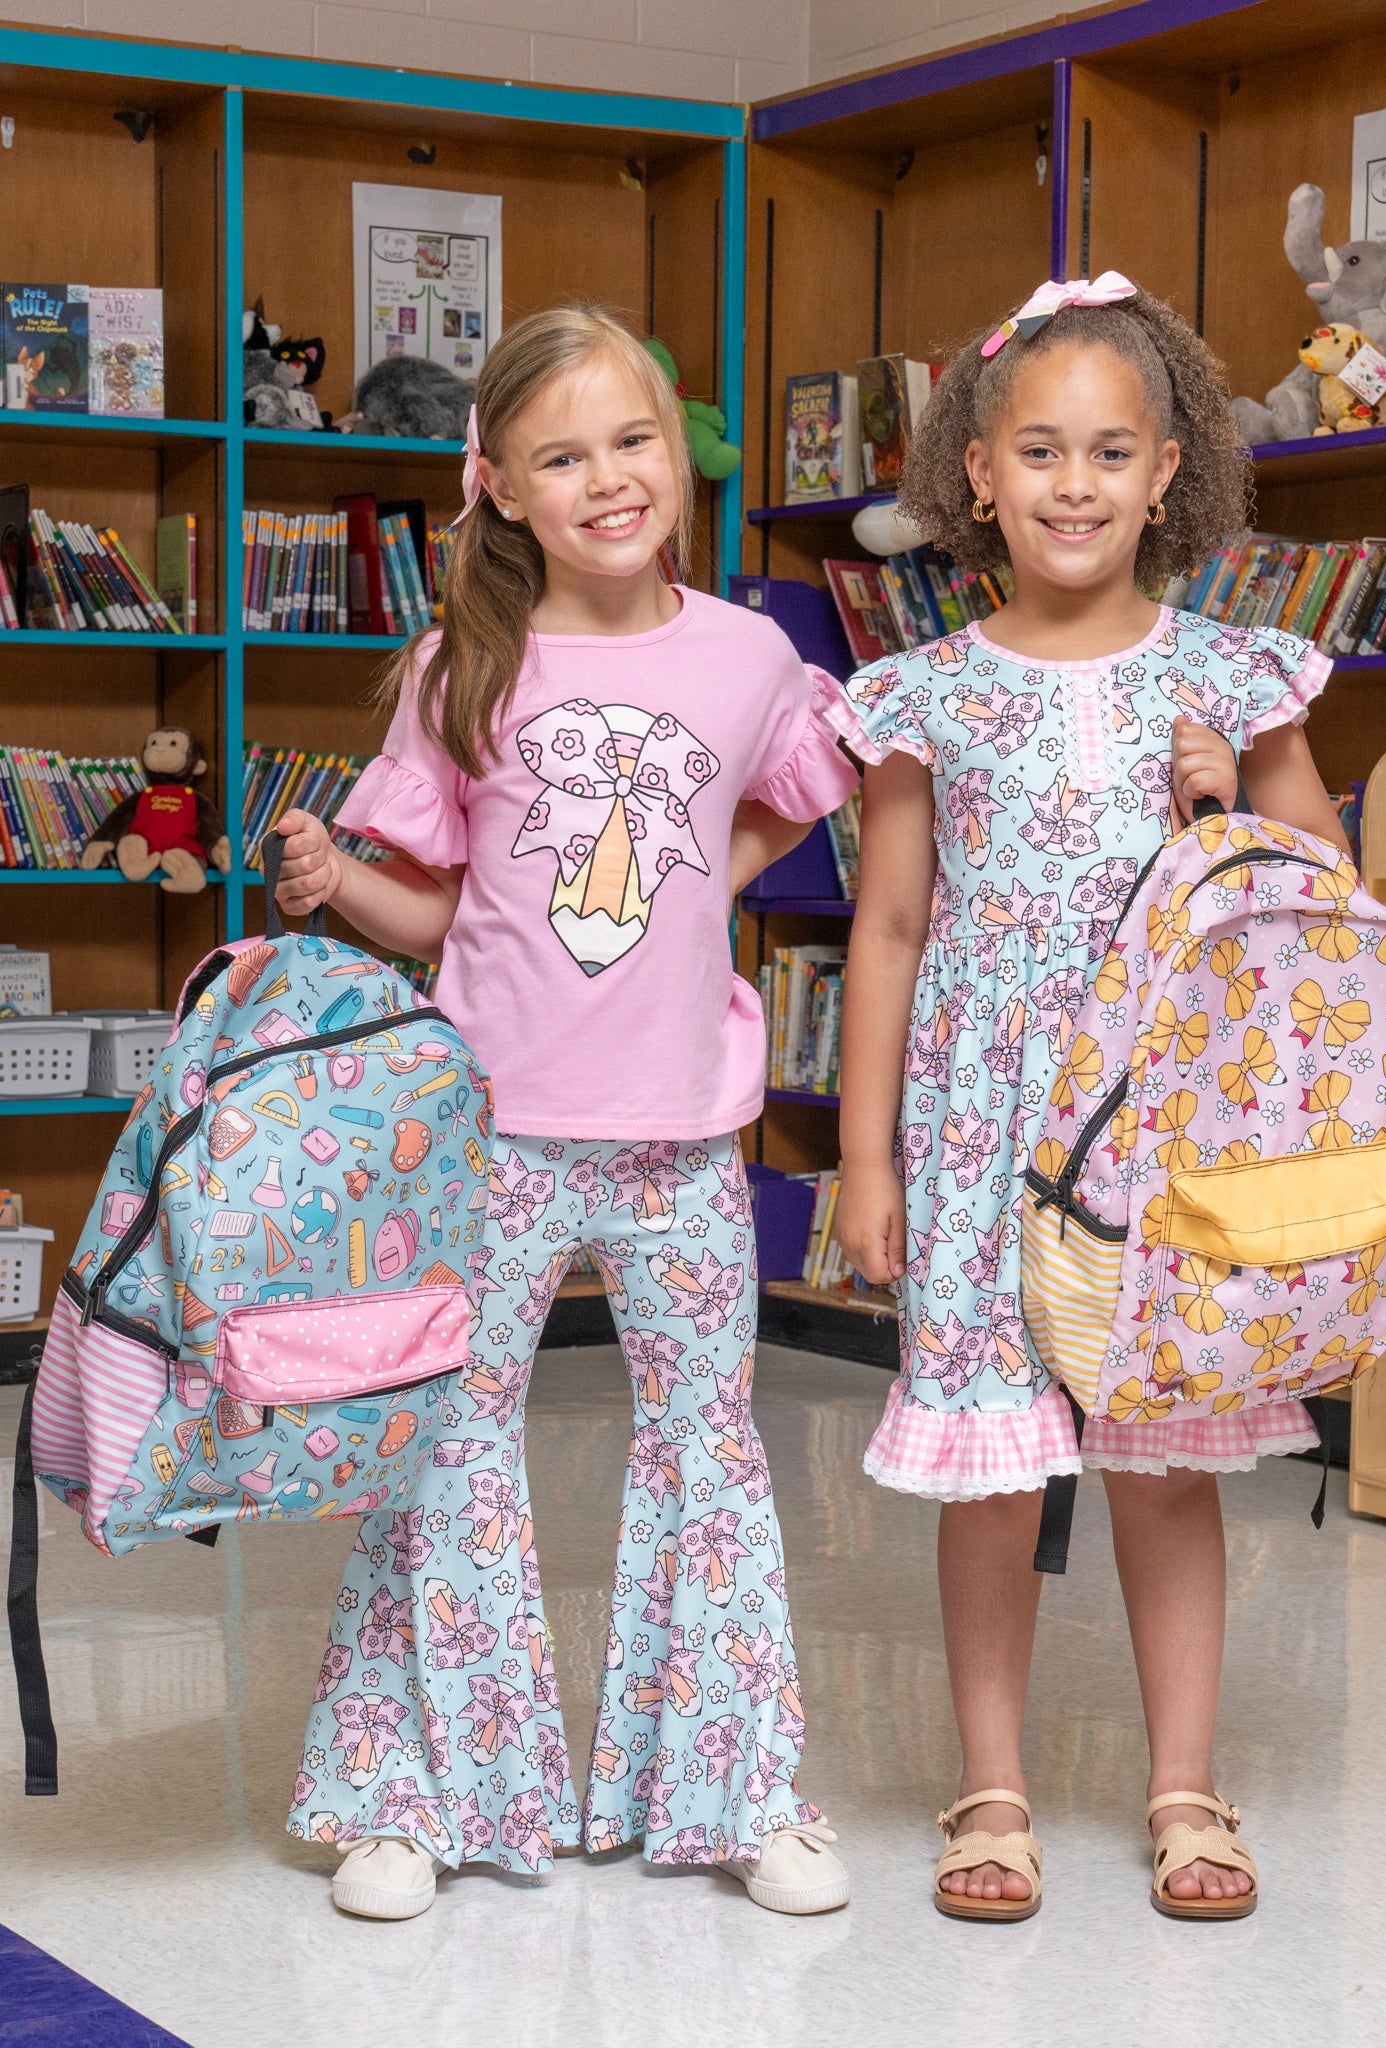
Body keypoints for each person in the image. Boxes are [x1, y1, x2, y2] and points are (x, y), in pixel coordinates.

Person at [274, 304, 857, 1920]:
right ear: (502, 487)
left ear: (676, 450)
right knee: (448, 1449)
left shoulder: (749, 657)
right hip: (498, 1134)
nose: (608, 479)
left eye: (633, 440)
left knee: (710, 1449)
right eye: (562, 456)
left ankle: (736, 1794)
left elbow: (775, 809)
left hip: (681, 1135)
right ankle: (411, 1801)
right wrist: (336, 884)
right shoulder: (462, 666)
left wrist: (705, 885)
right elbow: (439, 911)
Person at [828, 274, 1352, 1922]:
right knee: (992, 1464)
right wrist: (864, 1158)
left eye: (1110, 452)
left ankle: (1185, 1788)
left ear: (1166, 469)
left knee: (1164, 1462)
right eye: (1040, 451)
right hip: (983, 1130)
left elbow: (1323, 899)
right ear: (978, 473)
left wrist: (1227, 804)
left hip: (1168, 1129)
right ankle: (991, 1787)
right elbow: (890, 926)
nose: (1075, 485)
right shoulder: (927, 691)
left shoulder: (1233, 679)